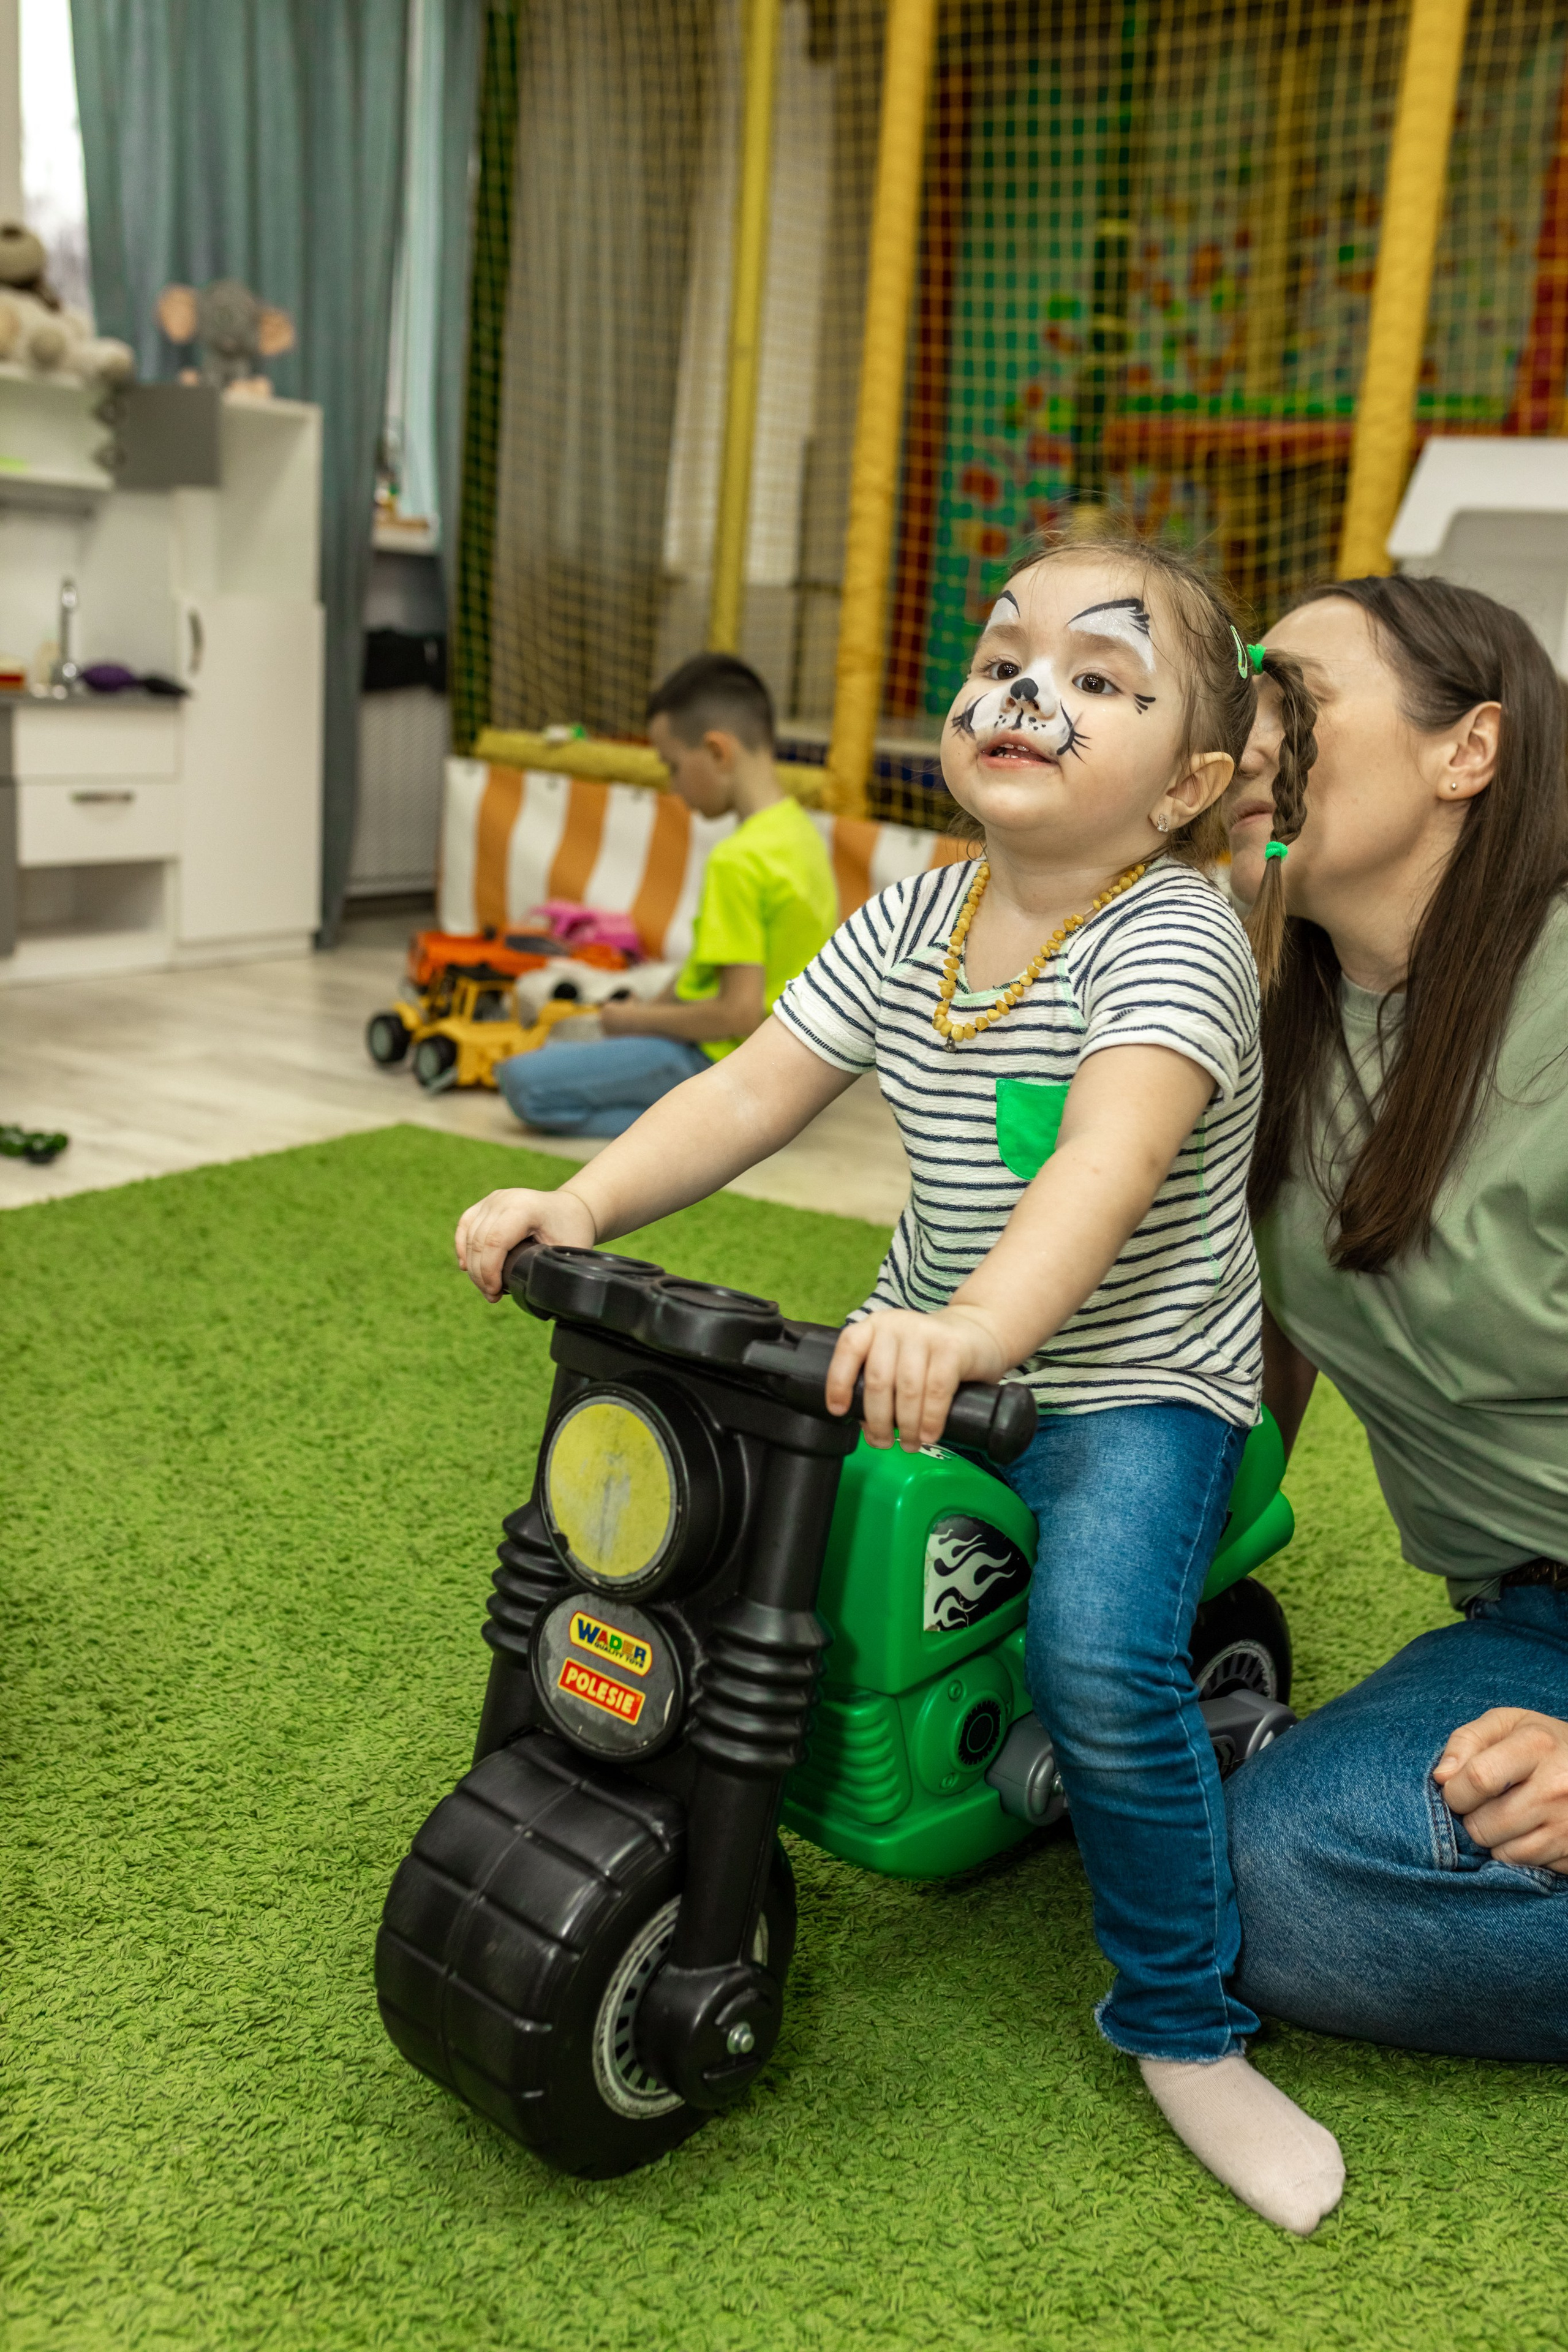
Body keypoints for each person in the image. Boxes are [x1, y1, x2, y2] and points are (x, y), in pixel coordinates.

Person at [456, 531, 1346, 2235]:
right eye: (1007, 656)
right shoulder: (920, 913)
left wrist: (985, 1331)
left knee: (1096, 1646)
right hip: (932, 1345)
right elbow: (750, 1090)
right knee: (708, 1553)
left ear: (1193, 787)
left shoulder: (1172, 944)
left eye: (1100, 679)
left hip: (1132, 1384)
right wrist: (580, 1201)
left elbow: (1103, 1160)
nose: (1030, 692)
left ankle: (1185, 2023)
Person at [1221, 573, 1568, 2062]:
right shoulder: (1260, 1018)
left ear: (1464, 749)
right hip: (1529, 1622)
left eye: (1290, 695)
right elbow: (1244, 1372)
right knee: (1275, 1874)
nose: (1242, 736)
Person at [494, 652, 839, 1137]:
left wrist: (639, 1022)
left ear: (718, 752)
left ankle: (716, 1131)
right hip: (786, 1072)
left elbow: (738, 1013)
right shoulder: (801, 835)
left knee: (522, 1081)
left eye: (673, 766)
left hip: (715, 1061)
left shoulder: (738, 860)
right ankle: (744, 1122)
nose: (674, 787)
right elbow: (722, 969)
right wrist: (652, 1007)